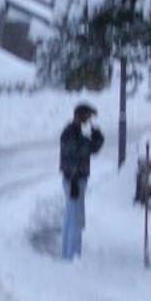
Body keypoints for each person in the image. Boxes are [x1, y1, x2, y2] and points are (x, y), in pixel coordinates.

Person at [58, 103, 104, 261]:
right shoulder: (71, 134)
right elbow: (86, 149)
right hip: (74, 181)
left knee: (71, 217)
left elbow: (93, 148)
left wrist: (95, 133)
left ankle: (67, 254)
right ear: (80, 117)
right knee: (75, 220)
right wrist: (74, 181)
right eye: (88, 118)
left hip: (74, 180)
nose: (89, 121)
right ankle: (72, 257)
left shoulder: (75, 133)